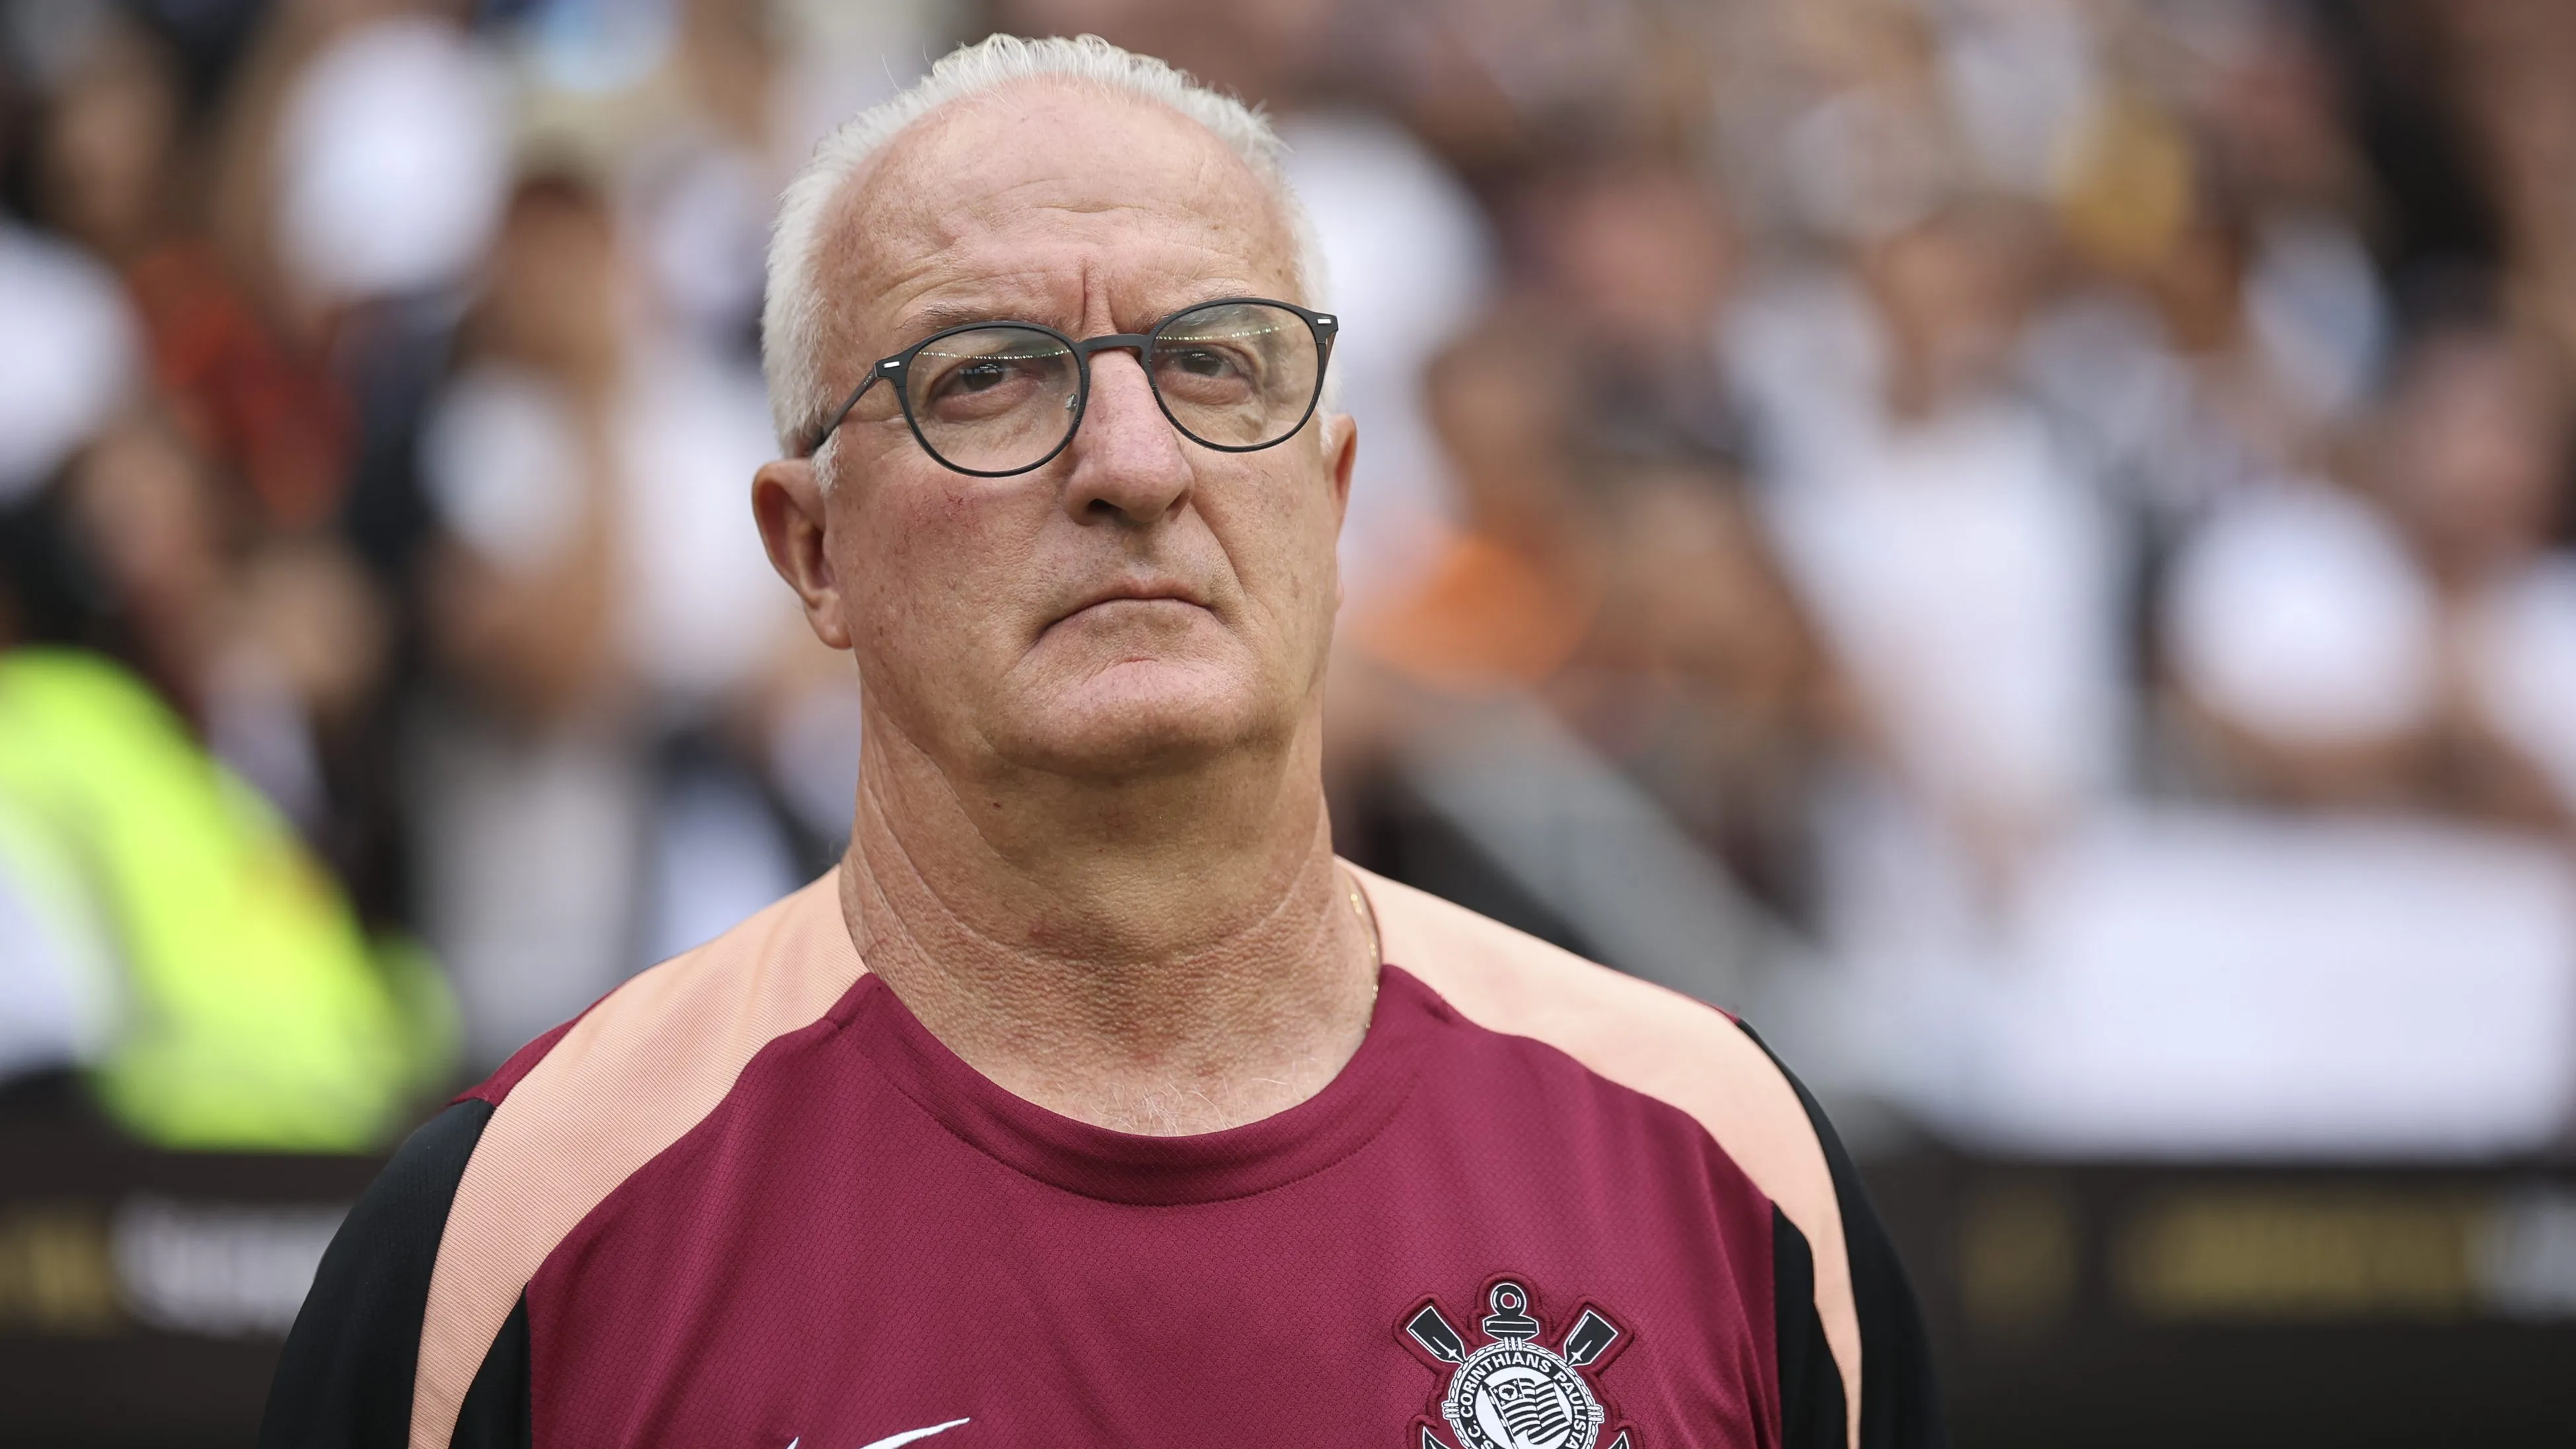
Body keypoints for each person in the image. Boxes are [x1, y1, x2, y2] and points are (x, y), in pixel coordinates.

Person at [261, 34, 1941, 1449]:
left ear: (1336, 497)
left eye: (1215, 361)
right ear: (813, 549)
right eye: (990, 373)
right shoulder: (524, 1225)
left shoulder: (1724, 1157)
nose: (1135, 461)